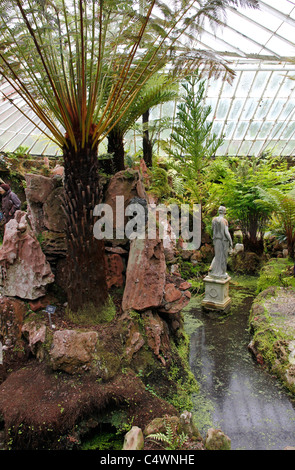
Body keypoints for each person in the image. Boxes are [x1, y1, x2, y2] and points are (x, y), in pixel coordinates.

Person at [209, 205, 233, 279]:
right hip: (223, 241)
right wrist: (231, 242)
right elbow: (226, 233)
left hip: (216, 240)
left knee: (217, 255)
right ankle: (221, 272)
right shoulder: (224, 221)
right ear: (224, 212)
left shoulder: (214, 220)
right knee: (222, 257)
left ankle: (214, 271)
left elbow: (212, 230)